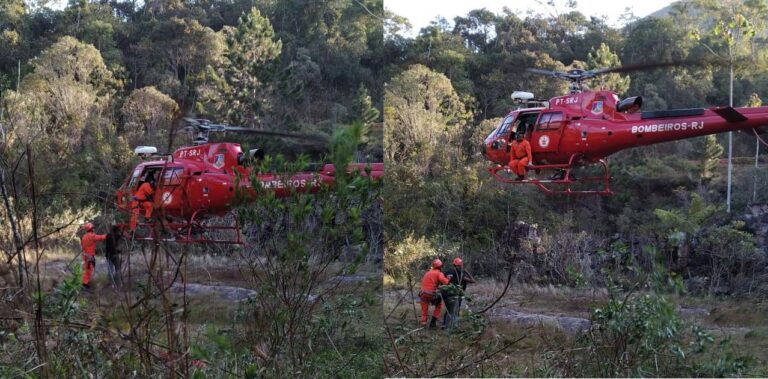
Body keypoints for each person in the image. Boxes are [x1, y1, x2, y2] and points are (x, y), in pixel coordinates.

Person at [441, 257, 476, 329]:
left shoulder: (447, 272)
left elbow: (442, 281)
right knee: (454, 311)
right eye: (460, 266)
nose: (460, 267)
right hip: (456, 294)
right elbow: (473, 280)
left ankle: (444, 325)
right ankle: (451, 327)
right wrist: (466, 271)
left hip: (446, 294)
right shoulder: (461, 275)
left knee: (449, 310)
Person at [419, 259, 452, 328]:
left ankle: (423, 323)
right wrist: (449, 279)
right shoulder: (439, 273)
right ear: (440, 266)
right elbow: (446, 282)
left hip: (422, 293)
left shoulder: (427, 272)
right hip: (431, 294)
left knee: (424, 308)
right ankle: (433, 323)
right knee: (439, 305)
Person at [80, 222, 107, 289]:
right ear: (91, 229)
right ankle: (85, 285)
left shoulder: (84, 236)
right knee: (89, 270)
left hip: (85, 255)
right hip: (89, 256)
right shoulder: (91, 236)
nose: (94, 229)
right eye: (93, 228)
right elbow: (100, 237)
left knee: (87, 269)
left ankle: (85, 283)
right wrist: (108, 235)